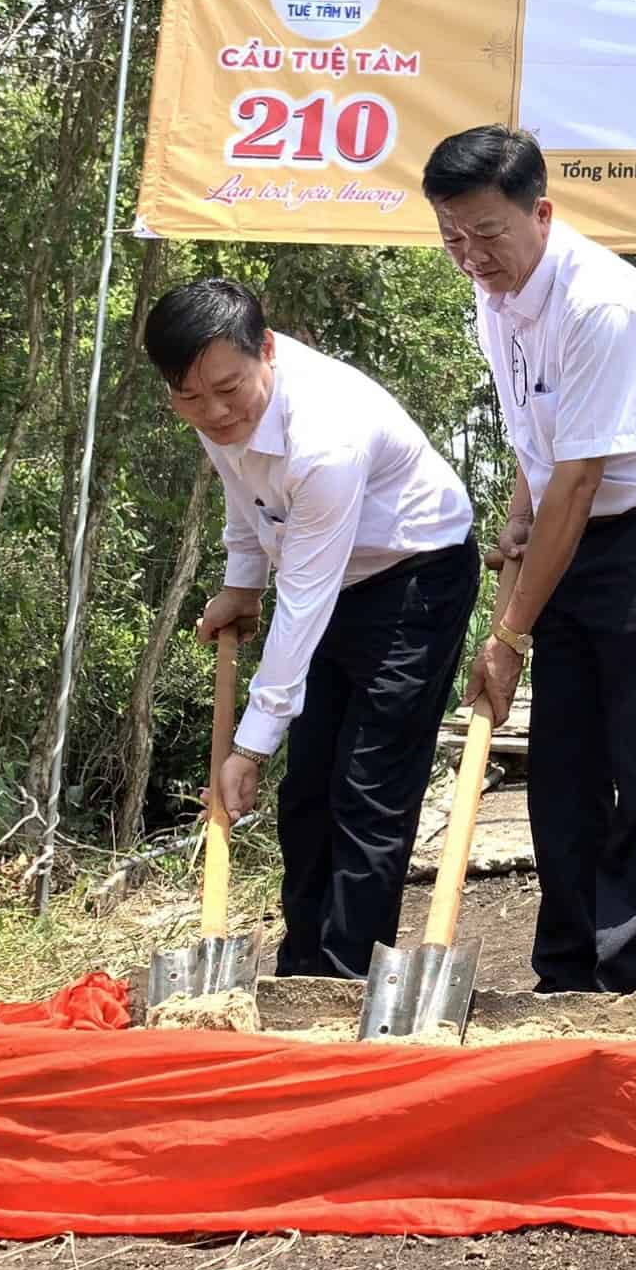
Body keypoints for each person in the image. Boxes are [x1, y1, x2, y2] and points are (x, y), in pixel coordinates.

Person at [423, 126, 636, 994]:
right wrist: (519, 520)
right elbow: (537, 433)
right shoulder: (492, 297)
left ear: (542, 213)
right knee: (563, 760)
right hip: (569, 531)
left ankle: (630, 975)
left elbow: (582, 477)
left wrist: (508, 637)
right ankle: (565, 968)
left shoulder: (601, 302)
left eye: (488, 232)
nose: (471, 254)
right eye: (452, 236)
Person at [145, 277, 480, 981]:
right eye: (190, 398)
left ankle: (345, 978)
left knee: (368, 784)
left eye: (228, 390)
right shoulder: (215, 404)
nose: (214, 413)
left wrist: (249, 746)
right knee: (306, 791)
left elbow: (303, 598)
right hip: (330, 577)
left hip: (415, 575)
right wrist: (242, 584)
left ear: (266, 350)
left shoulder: (326, 433)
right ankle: (301, 971)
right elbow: (244, 493)